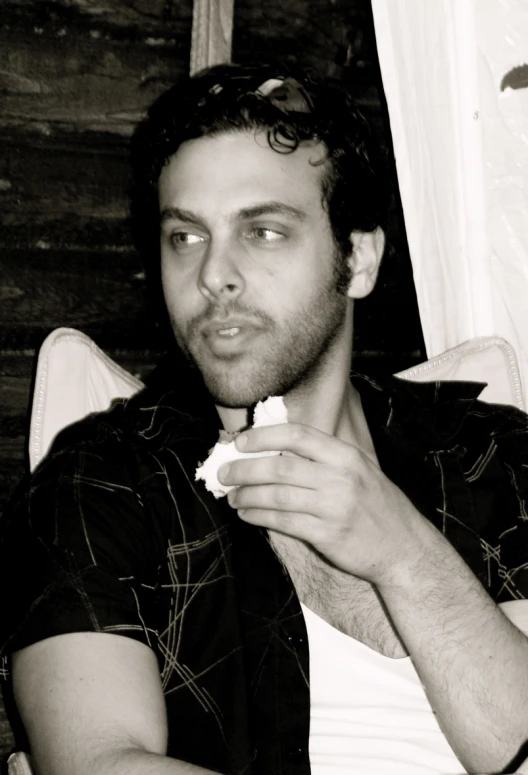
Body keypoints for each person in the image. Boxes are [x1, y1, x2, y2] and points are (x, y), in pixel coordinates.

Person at [1, 62, 528, 775]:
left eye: (265, 231)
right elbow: (100, 762)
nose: (215, 274)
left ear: (359, 258)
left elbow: (515, 737)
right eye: (185, 237)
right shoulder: (101, 484)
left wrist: (400, 548)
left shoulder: (489, 452)